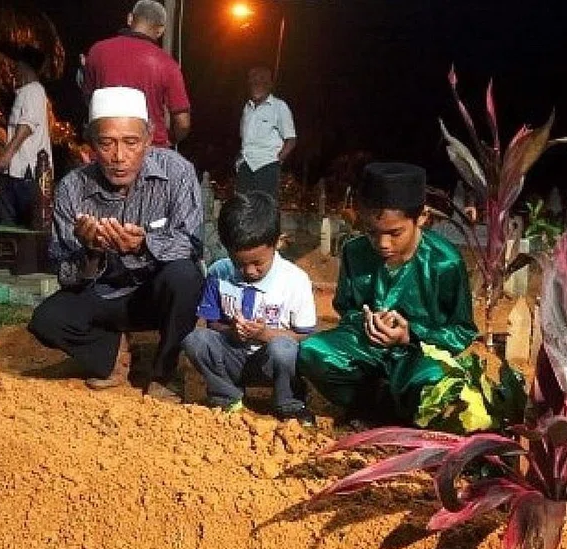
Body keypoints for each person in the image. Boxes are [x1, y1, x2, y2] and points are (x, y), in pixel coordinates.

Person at [27, 87, 203, 401]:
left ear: (148, 138)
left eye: (131, 142)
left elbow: (193, 243)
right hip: (104, 294)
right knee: (46, 321)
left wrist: (144, 245)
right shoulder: (72, 187)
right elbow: (65, 276)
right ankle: (114, 353)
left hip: (154, 294)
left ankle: (165, 370)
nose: (119, 156)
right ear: (91, 142)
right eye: (106, 143)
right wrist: (92, 252)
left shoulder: (178, 172)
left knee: (186, 276)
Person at [297, 162, 478, 424]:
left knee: (432, 382)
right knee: (312, 352)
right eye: (372, 232)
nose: (382, 244)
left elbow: (462, 330)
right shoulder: (354, 252)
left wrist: (409, 335)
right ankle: (368, 405)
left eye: (395, 233)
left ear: (422, 218)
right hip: (366, 347)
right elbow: (346, 309)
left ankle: (398, 412)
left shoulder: (444, 262)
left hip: (420, 354)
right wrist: (365, 322)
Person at [182, 191, 317, 425]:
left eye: (258, 263)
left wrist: (265, 334)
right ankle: (226, 396)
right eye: (239, 263)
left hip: (272, 364)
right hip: (234, 358)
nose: (250, 271)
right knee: (195, 339)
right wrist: (231, 331)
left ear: (277, 243)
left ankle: (289, 402)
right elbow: (212, 323)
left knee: (283, 347)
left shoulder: (295, 280)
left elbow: (305, 335)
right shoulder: (219, 272)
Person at [82, 0, 191, 148]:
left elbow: (90, 101)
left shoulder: (97, 51)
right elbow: (183, 123)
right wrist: (169, 141)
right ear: (160, 30)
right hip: (151, 149)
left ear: (130, 19)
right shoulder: (167, 64)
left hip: (107, 147)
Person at [0, 45, 53, 226]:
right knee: (10, 224)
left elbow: (26, 126)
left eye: (17, 66)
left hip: (26, 173)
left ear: (24, 67)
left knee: (24, 225)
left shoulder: (34, 91)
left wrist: (6, 155)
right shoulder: (26, 92)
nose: (14, 71)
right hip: (16, 172)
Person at [235, 66, 296, 203]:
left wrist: (277, 160)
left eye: (261, 81)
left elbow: (291, 140)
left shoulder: (279, 107)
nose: (256, 84)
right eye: (253, 81)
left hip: (267, 165)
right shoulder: (247, 108)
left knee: (265, 208)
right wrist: (240, 160)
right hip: (246, 164)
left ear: (269, 85)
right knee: (242, 206)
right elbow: (243, 137)